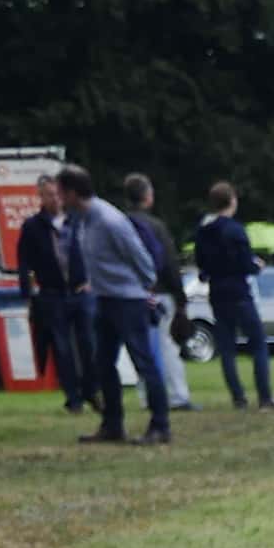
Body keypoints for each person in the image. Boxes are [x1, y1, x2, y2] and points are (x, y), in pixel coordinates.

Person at [56, 164, 168, 444]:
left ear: (72, 192)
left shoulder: (109, 220)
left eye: (61, 193)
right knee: (102, 363)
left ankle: (160, 425)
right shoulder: (83, 219)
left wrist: (146, 288)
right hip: (105, 299)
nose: (58, 199)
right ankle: (112, 424)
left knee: (143, 361)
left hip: (127, 301)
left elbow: (139, 256)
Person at [194, 182, 274, 410]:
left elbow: (201, 264)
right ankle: (265, 397)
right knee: (258, 343)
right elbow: (244, 263)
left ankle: (238, 397)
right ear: (232, 200)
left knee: (226, 347)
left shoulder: (203, 230)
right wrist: (256, 266)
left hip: (217, 292)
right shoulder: (235, 230)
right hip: (239, 292)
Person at [15, 178, 93, 411]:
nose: (55, 199)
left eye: (58, 194)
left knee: (88, 342)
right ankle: (73, 396)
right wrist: (27, 294)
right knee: (61, 347)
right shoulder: (32, 226)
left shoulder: (78, 221)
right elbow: (24, 262)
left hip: (80, 291)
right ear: (41, 197)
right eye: (49, 194)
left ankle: (92, 388)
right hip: (52, 294)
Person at [124, 173, 197, 410]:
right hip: (160, 293)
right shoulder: (156, 226)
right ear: (147, 196)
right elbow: (169, 263)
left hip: (129, 293)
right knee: (167, 347)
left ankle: (147, 396)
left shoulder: (120, 224)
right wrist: (180, 297)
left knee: (141, 348)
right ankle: (177, 395)